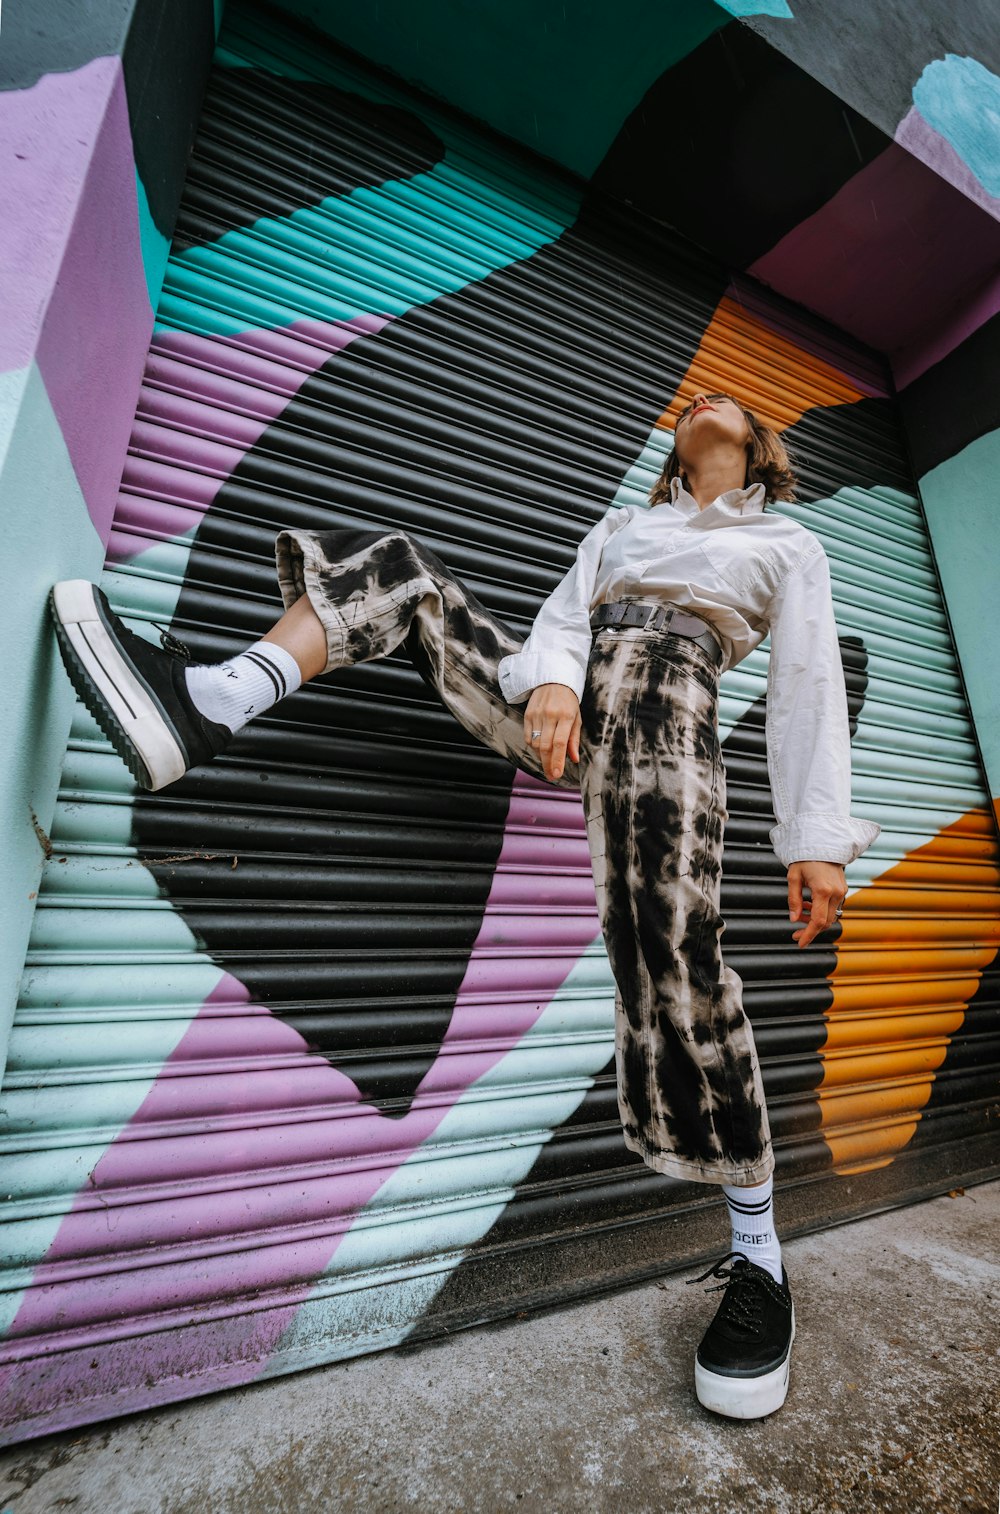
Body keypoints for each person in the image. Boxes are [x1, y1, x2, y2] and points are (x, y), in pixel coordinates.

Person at [49, 389, 879, 1420]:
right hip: (562, 700)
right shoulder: (626, 523)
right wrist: (558, 682)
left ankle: (758, 1256)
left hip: (673, 705)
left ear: (758, 443)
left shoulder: (788, 544)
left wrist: (813, 839)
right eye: (688, 401)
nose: (703, 399)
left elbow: (807, 684)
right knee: (405, 569)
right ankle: (213, 698)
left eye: (728, 401)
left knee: (676, 965)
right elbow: (566, 614)